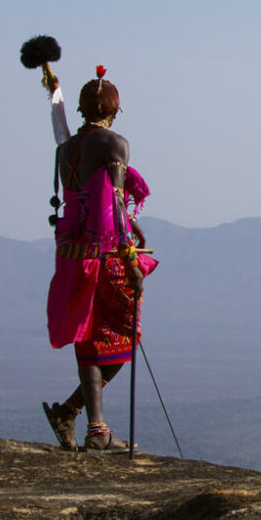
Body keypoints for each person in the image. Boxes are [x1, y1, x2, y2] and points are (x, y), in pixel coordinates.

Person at [41, 66, 157, 452]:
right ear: (115, 109)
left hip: (70, 252)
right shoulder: (114, 144)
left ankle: (92, 426)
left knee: (88, 337)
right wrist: (130, 259)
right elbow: (117, 204)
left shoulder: (66, 149)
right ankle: (85, 421)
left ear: (80, 109)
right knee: (126, 333)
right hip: (104, 253)